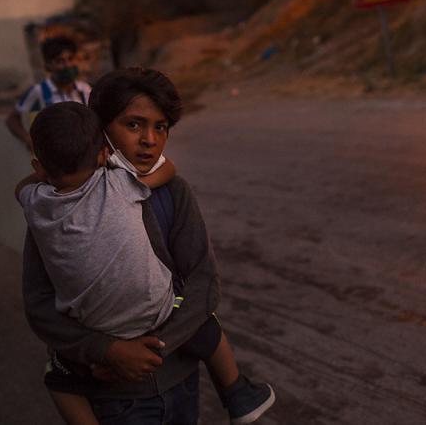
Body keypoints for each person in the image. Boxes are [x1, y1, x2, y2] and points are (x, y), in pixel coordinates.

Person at [22, 68, 274, 424]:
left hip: (182, 381)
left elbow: (202, 284)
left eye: (160, 127)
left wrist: (154, 349)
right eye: (134, 125)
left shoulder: (172, 193)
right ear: (100, 132)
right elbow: (40, 305)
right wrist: (107, 351)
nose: (150, 140)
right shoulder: (59, 210)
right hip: (114, 401)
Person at [6, 36, 92, 151]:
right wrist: (28, 139)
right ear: (48, 66)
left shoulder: (84, 89)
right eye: (59, 61)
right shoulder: (39, 91)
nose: (67, 65)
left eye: (70, 59)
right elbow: (12, 119)